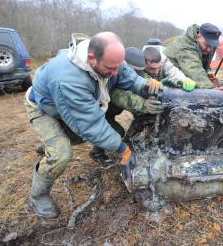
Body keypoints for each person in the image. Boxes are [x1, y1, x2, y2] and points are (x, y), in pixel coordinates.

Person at [25, 32, 163, 219]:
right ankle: (38, 195)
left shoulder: (107, 58)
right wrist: (123, 149)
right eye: (110, 68)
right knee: (61, 153)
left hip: (69, 107)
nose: (114, 72)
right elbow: (90, 125)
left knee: (114, 132)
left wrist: (144, 85)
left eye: (117, 66)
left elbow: (126, 76)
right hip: (44, 109)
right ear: (91, 58)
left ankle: (53, 141)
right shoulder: (68, 80)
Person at [89, 47, 163, 164]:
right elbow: (120, 96)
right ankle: (97, 152)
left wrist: (156, 87)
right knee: (117, 133)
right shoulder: (111, 78)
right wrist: (143, 104)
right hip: (99, 115)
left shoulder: (134, 74)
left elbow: (141, 80)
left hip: (110, 113)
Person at [164, 23, 221, 88]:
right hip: (165, 83)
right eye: (207, 45)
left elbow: (201, 62)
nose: (209, 49)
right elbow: (194, 70)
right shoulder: (185, 45)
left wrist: (208, 73)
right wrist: (214, 91)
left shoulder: (204, 46)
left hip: (183, 81)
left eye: (212, 46)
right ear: (198, 36)